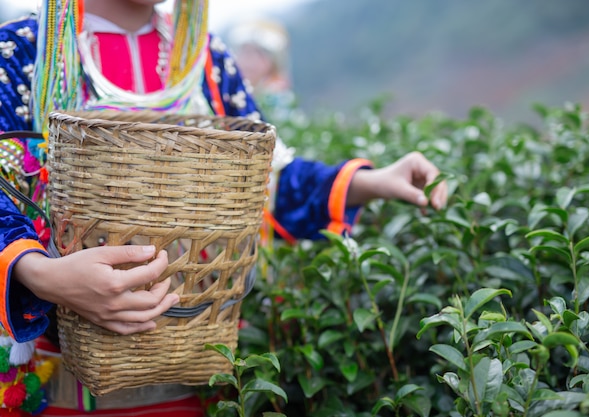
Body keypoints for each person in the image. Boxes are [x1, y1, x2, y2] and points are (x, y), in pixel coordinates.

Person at [0, 0, 448, 415]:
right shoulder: (24, 50)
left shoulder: (205, 61)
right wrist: (42, 275)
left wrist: (371, 182)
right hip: (52, 390)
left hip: (194, 392)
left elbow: (262, 185)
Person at [227, 19, 295, 121]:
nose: (251, 61)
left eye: (260, 54)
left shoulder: (279, 100)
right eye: (246, 52)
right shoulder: (227, 92)